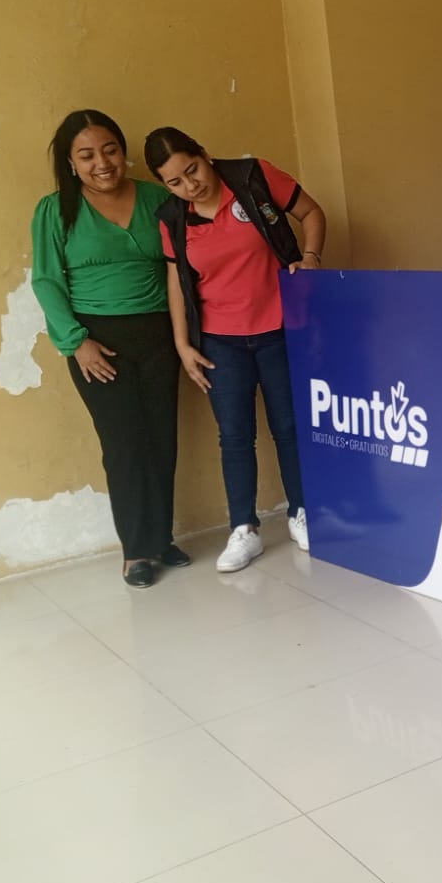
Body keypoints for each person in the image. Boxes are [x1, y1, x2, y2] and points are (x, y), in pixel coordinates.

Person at [145, 127, 327, 573]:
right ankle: (244, 529)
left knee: (290, 426)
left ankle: (302, 513)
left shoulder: (252, 177)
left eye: (193, 170)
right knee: (235, 436)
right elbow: (176, 282)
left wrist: (311, 258)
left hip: (281, 328)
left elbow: (311, 212)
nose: (190, 186)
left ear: (205, 155)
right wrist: (182, 344)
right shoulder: (172, 218)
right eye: (175, 182)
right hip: (220, 342)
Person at [30, 110, 186, 589]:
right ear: (71, 163)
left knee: (161, 439)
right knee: (124, 446)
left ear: (123, 151)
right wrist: (77, 343)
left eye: (110, 150)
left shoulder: (159, 198)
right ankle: (136, 551)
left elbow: (183, 265)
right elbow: (47, 281)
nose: (102, 163)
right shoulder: (55, 210)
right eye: (87, 155)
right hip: (97, 341)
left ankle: (161, 539)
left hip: (159, 334)